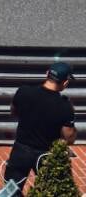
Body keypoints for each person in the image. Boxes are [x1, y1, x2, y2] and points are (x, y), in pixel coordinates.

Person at [6, 61, 77, 190]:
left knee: (11, 191)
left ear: (47, 74)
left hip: (20, 151)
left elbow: (13, 112)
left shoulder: (24, 91)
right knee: (50, 190)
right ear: (65, 82)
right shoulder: (65, 106)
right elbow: (69, 138)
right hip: (45, 156)